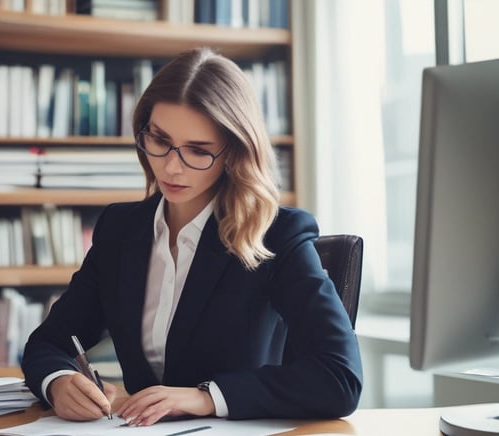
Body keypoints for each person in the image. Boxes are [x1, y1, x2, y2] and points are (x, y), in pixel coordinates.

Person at [21, 47, 363, 426]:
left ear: (234, 153)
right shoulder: (120, 229)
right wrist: (59, 382)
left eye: (197, 151)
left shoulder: (277, 235)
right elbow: (50, 341)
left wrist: (206, 397)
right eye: (159, 139)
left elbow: (340, 378)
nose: (171, 166)